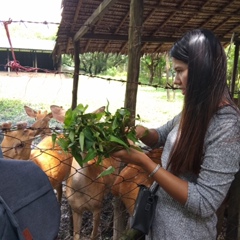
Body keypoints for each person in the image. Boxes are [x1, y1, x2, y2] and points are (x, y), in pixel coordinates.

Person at [111, 28, 240, 239]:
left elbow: (205, 202)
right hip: (159, 226)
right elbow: (162, 135)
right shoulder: (197, 108)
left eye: (180, 71)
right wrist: (142, 132)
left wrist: (144, 162)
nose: (176, 80)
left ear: (202, 70)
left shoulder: (227, 126)